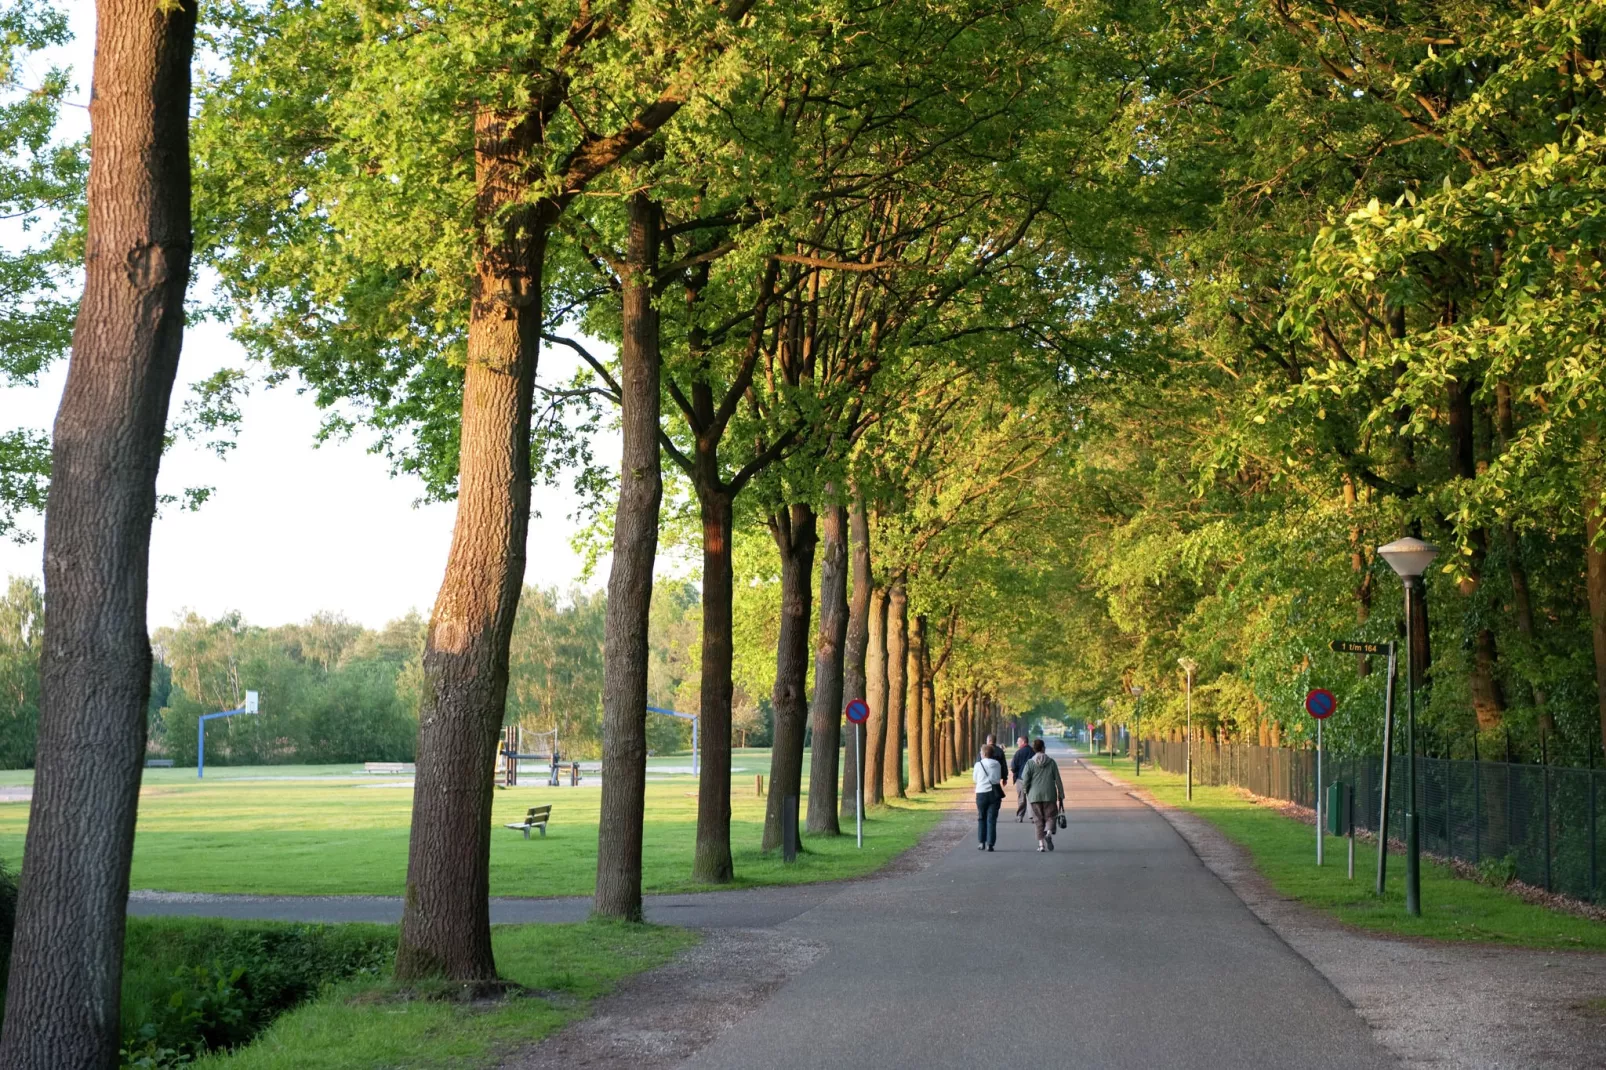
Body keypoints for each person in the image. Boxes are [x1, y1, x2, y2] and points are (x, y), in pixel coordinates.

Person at [1020, 738, 1065, 852]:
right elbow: (1058, 780)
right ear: (1043, 748)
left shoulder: (1030, 763)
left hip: (1034, 796)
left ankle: (1041, 845)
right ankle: (1049, 833)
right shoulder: (1051, 762)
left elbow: (1025, 780)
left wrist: (1026, 791)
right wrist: (1061, 794)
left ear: (1034, 749)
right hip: (1049, 795)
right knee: (1050, 816)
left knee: (1038, 820)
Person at [972, 745, 1004, 851]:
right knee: (992, 819)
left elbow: (975, 779)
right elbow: (998, 778)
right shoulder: (997, 764)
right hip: (994, 794)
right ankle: (990, 844)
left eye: (981, 753)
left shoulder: (978, 765)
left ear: (984, 754)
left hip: (981, 793)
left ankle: (981, 842)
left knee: (981, 817)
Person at [1010, 735, 1033, 821]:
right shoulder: (1032, 752)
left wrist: (1015, 772)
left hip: (1021, 778)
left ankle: (1020, 816)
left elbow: (1013, 766)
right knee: (1031, 798)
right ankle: (1033, 816)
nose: (1017, 743)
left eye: (1018, 741)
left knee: (1021, 798)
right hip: (1032, 779)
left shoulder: (1018, 753)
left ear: (1023, 742)